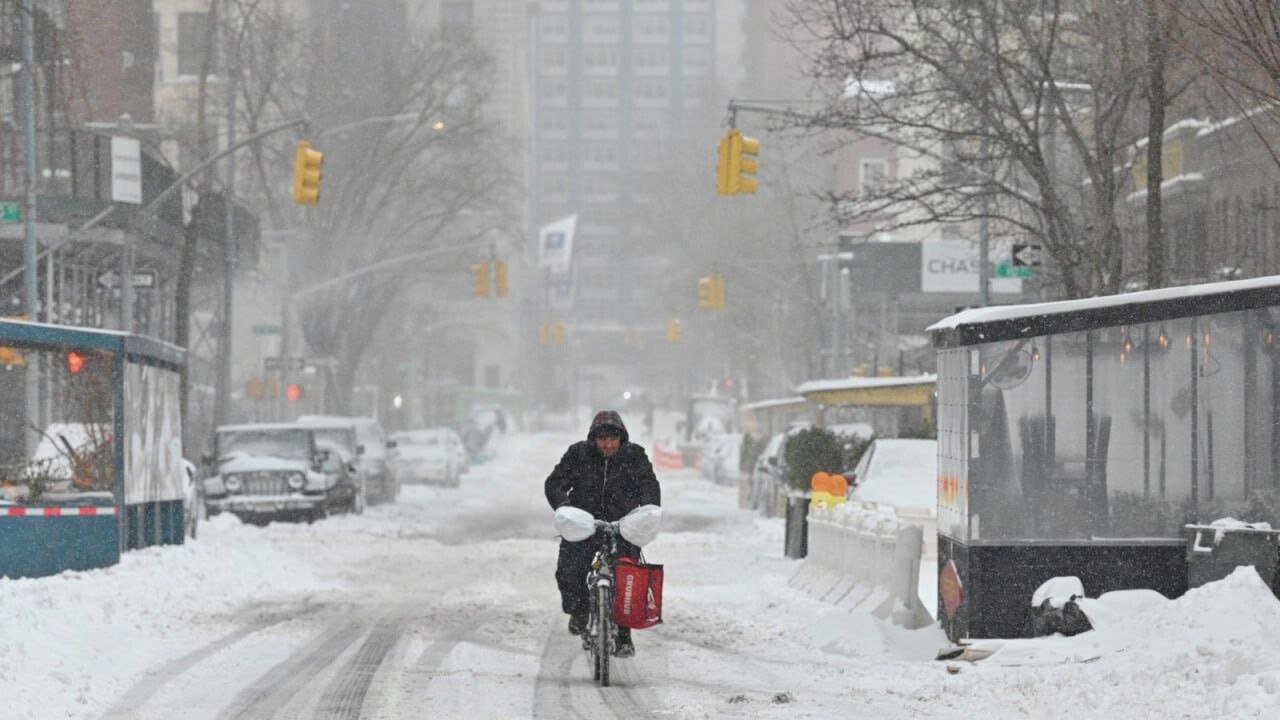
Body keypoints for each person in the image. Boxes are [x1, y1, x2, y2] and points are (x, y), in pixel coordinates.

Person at [545, 410, 660, 658]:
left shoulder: (635, 456)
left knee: (628, 577)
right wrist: (564, 507)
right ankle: (579, 612)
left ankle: (623, 634)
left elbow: (649, 485)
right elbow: (555, 483)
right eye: (602, 440)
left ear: (621, 438)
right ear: (593, 439)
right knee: (569, 571)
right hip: (584, 525)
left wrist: (648, 511)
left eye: (613, 439)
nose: (607, 445)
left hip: (622, 527)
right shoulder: (578, 454)